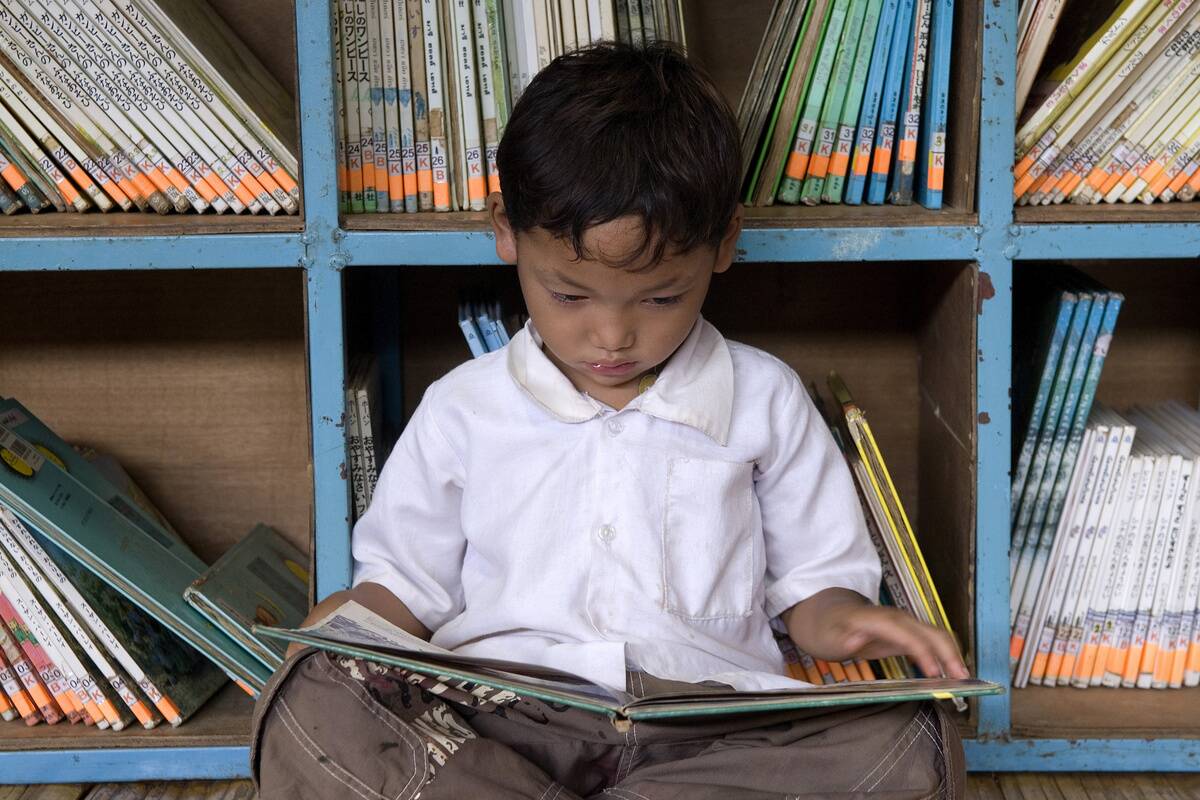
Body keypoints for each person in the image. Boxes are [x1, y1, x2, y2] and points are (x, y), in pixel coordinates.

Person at [252, 41, 968, 799]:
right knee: (310, 701)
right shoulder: (464, 408)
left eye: (660, 299)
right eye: (569, 296)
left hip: (709, 732)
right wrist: (344, 628)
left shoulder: (766, 399)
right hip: (498, 725)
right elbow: (405, 590)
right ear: (505, 230)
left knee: (912, 741)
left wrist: (851, 623)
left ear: (725, 242)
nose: (613, 336)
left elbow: (815, 594)